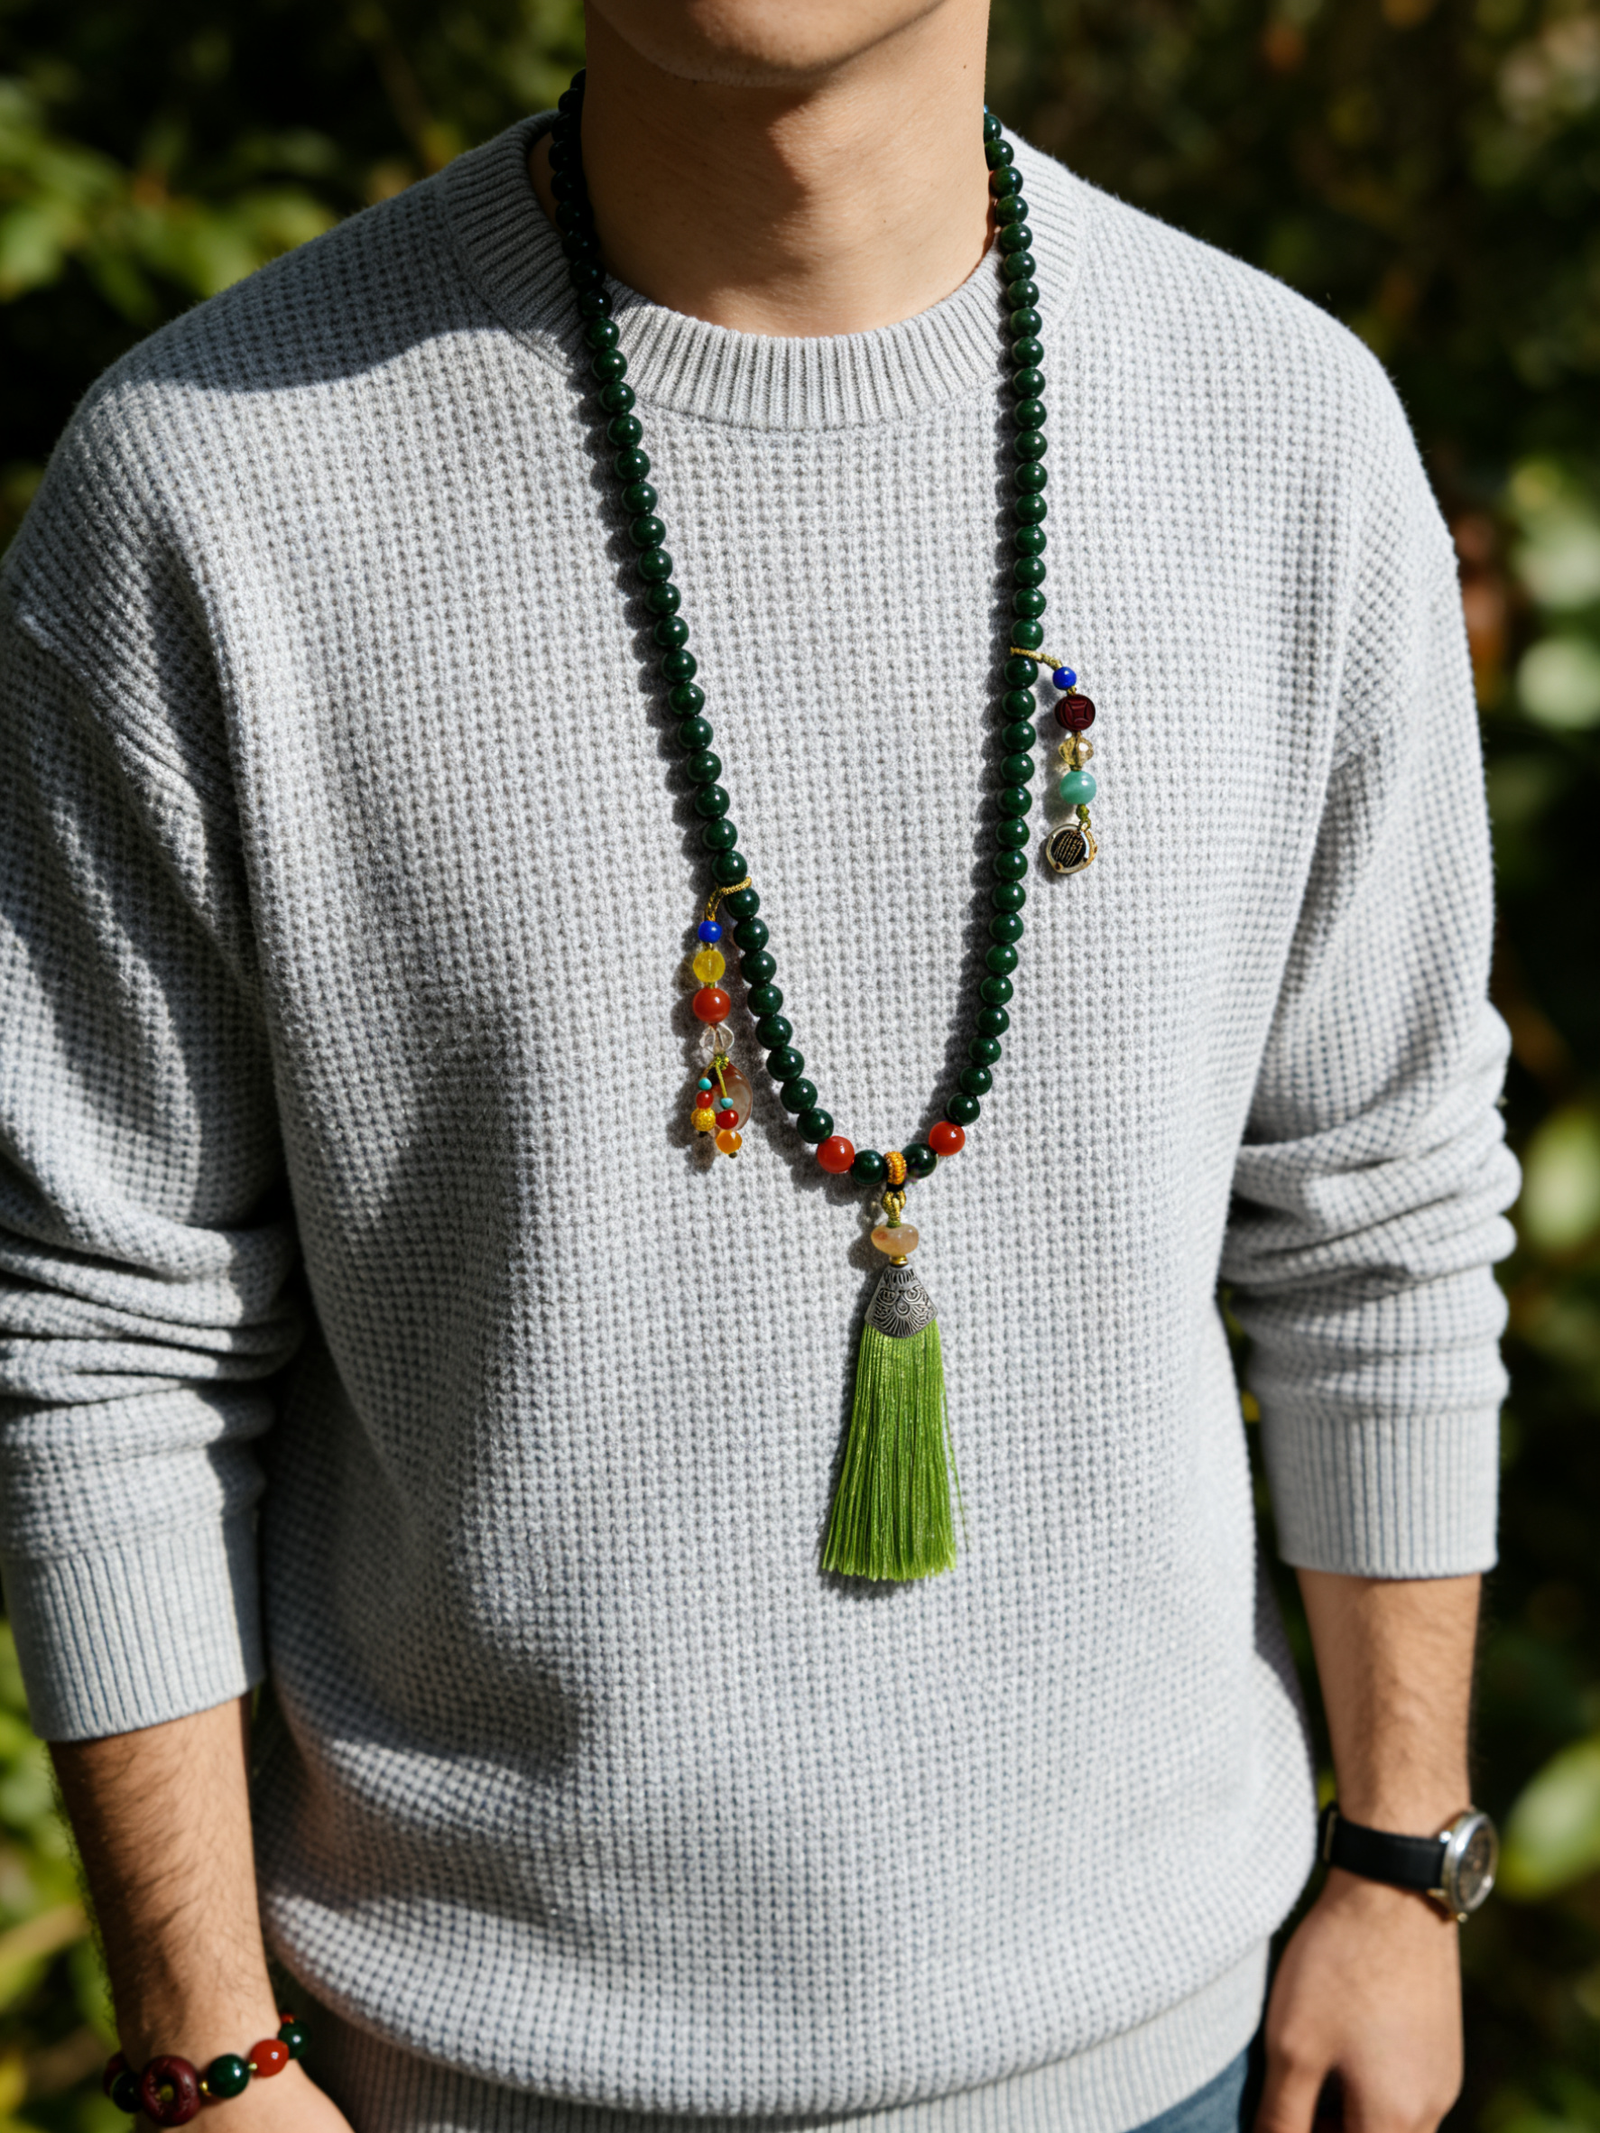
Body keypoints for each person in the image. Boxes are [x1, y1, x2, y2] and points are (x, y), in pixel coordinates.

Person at [0, 2, 1519, 2129]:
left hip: (1184, 2060)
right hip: (441, 2081)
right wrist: (203, 2045)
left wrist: (1402, 1859)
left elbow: (1377, 1204)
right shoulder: (209, 489)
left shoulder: (1278, 431)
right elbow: (97, 1320)